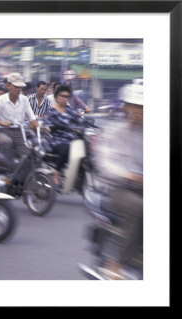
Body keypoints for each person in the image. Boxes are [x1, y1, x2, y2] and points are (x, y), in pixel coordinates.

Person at [92, 80, 143, 280]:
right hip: (118, 189)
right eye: (136, 106)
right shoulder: (113, 132)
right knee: (141, 208)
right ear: (126, 107)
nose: (140, 112)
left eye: (143, 107)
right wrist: (128, 174)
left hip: (144, 185)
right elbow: (104, 164)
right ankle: (117, 263)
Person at [43, 84, 88, 189]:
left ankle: (79, 176)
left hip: (71, 139)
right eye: (62, 96)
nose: (64, 98)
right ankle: (56, 172)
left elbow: (80, 120)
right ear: (56, 97)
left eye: (67, 96)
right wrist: (52, 127)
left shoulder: (69, 110)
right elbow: (47, 126)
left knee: (85, 148)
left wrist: (88, 124)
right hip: (56, 139)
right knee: (66, 149)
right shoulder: (51, 111)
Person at [0, 72, 39, 165]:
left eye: (20, 87)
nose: (18, 90)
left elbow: (32, 118)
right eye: (16, 87)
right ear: (8, 86)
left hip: (20, 132)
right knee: (6, 142)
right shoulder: (0, 100)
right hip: (2, 131)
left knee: (28, 156)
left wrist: (39, 126)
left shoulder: (24, 100)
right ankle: (6, 170)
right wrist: (2, 123)